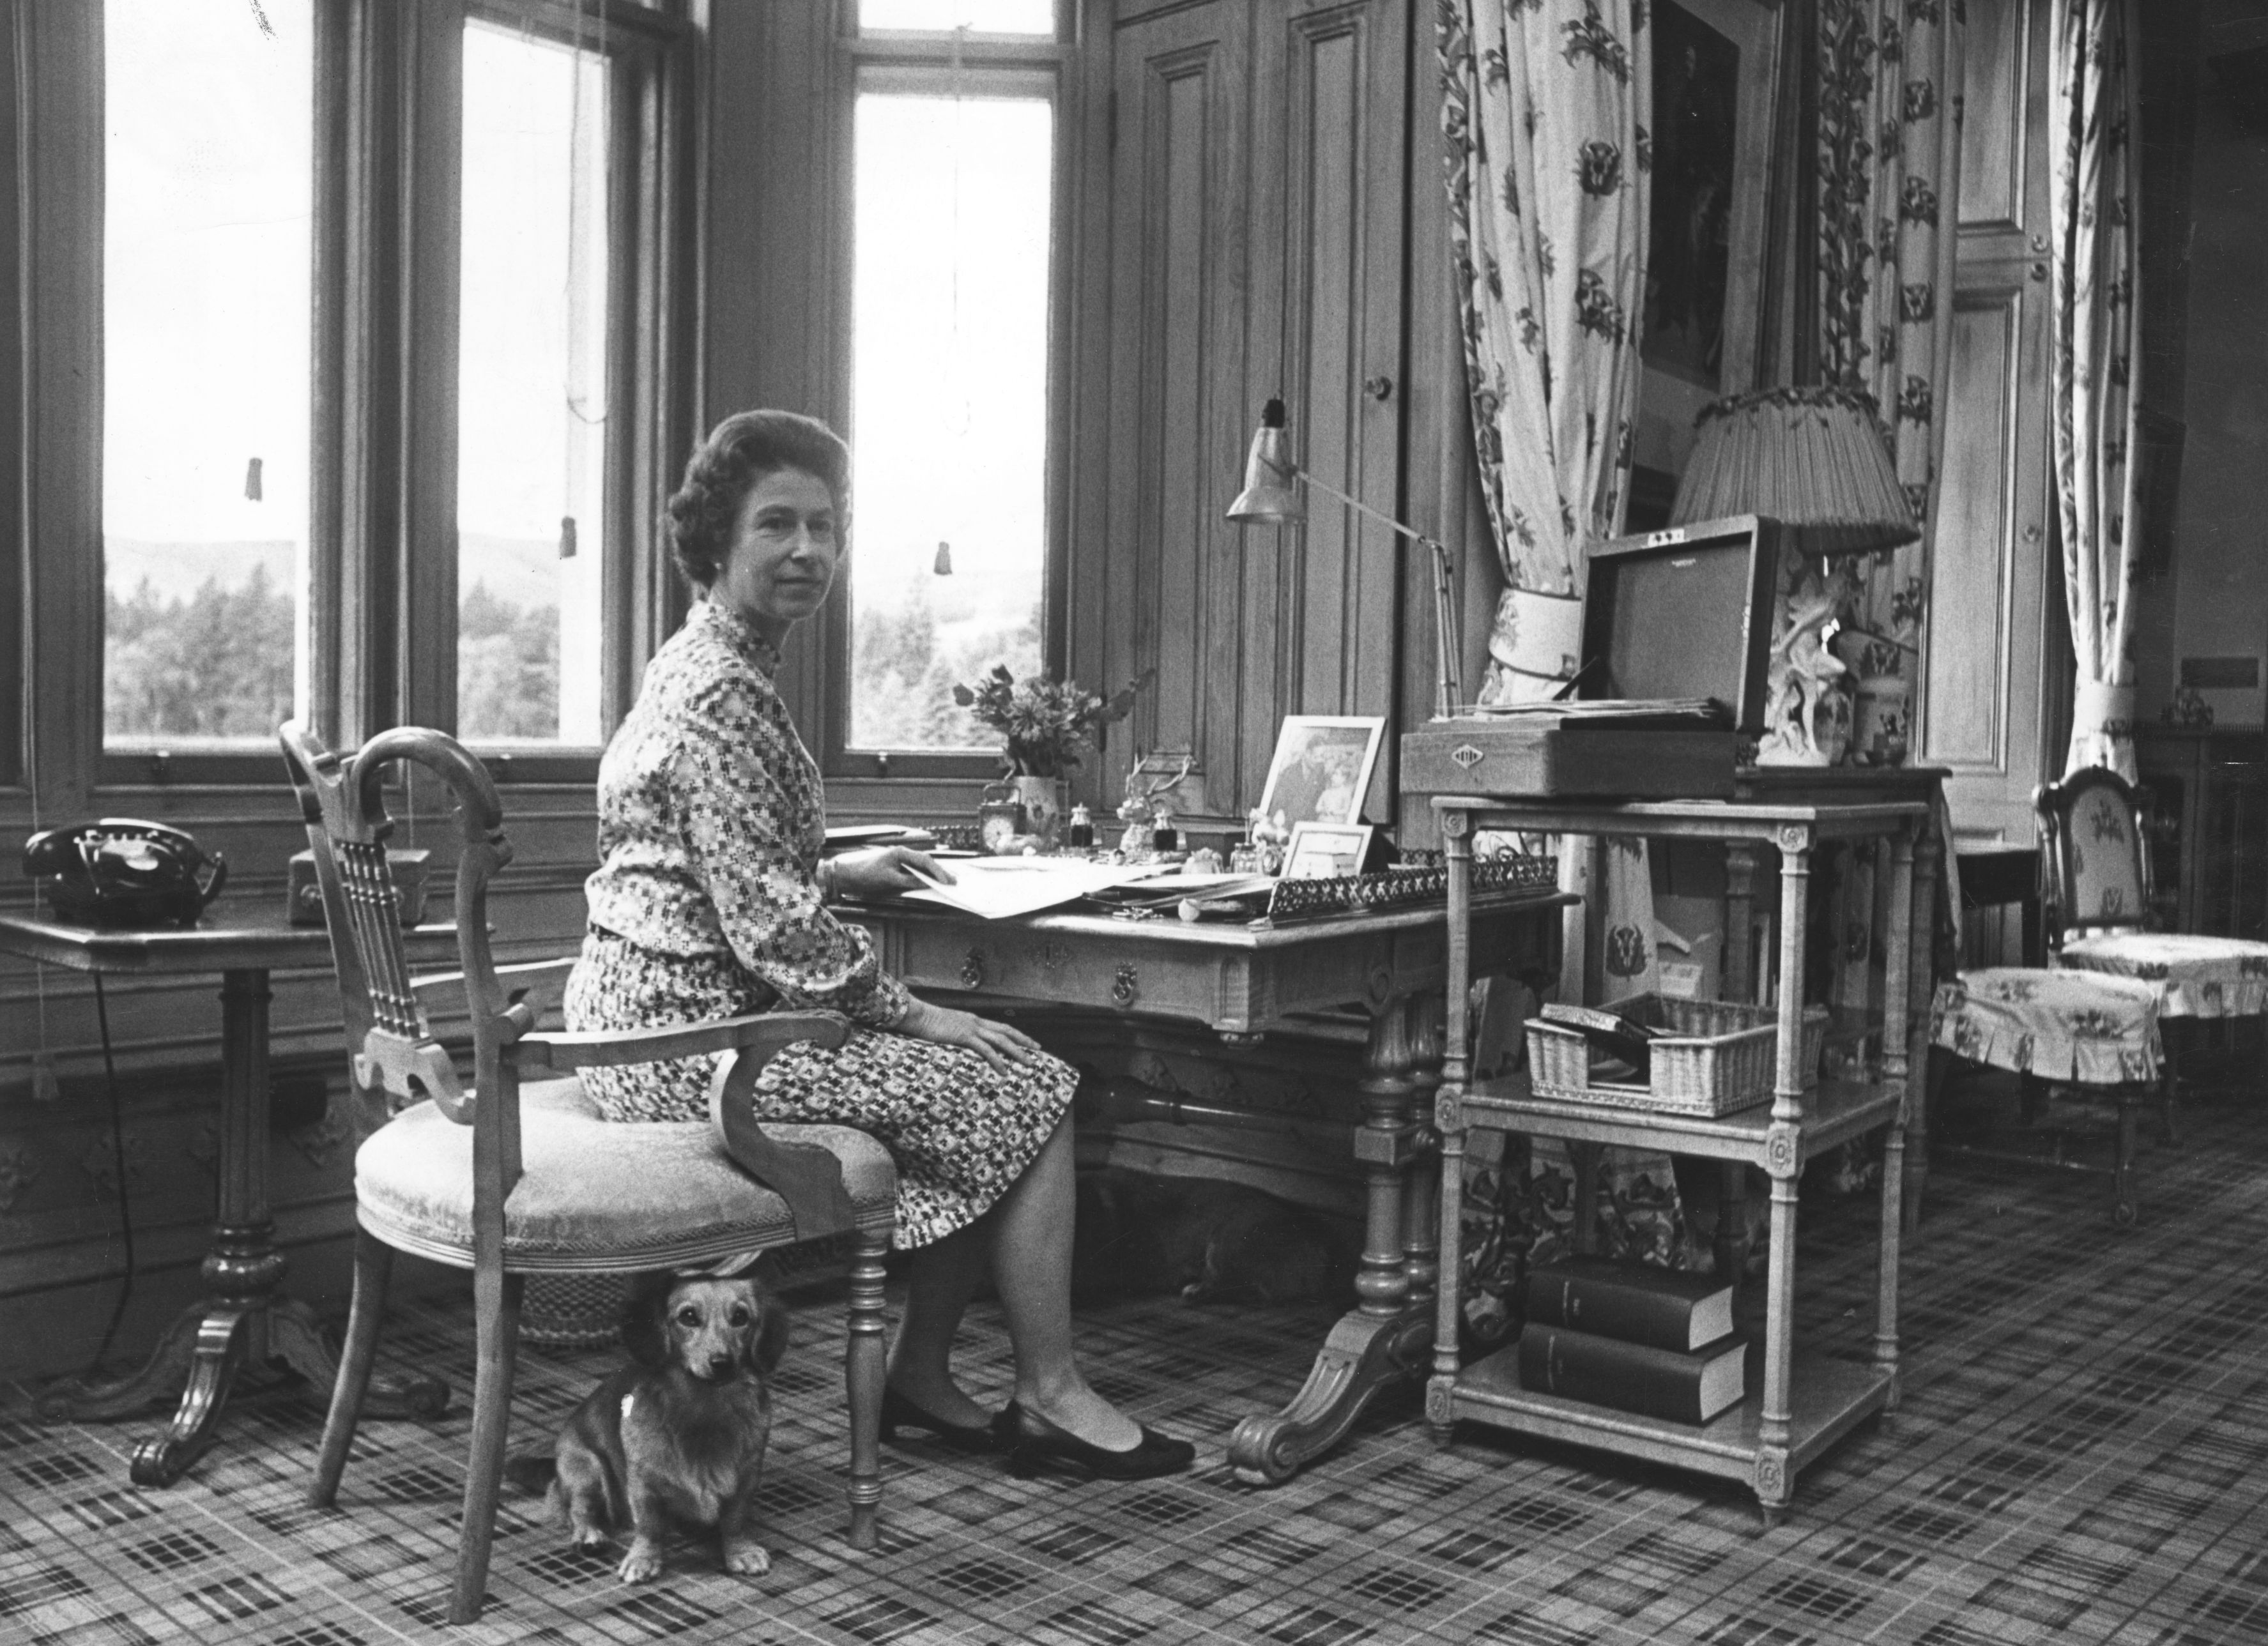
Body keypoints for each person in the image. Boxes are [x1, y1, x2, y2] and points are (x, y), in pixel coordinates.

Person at [563, 409, 1191, 1481]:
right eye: (776, 525)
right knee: (1028, 1080)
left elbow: (713, 856)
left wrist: (833, 868)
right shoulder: (723, 688)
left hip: (650, 1013)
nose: (808, 550)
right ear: (717, 538)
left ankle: (918, 1374)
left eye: (825, 526)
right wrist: (923, 1010)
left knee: (978, 1080)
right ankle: (1046, 1392)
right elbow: (776, 937)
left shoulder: (706, 657)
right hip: (689, 1043)